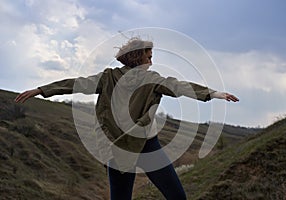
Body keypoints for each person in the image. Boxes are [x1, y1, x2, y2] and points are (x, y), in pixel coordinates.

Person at [15, 38, 239, 200]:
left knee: (177, 196)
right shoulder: (108, 78)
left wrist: (213, 94)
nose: (151, 62)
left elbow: (179, 86)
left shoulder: (152, 80)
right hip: (119, 149)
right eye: (148, 57)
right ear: (136, 58)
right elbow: (76, 83)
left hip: (148, 147)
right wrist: (41, 89)